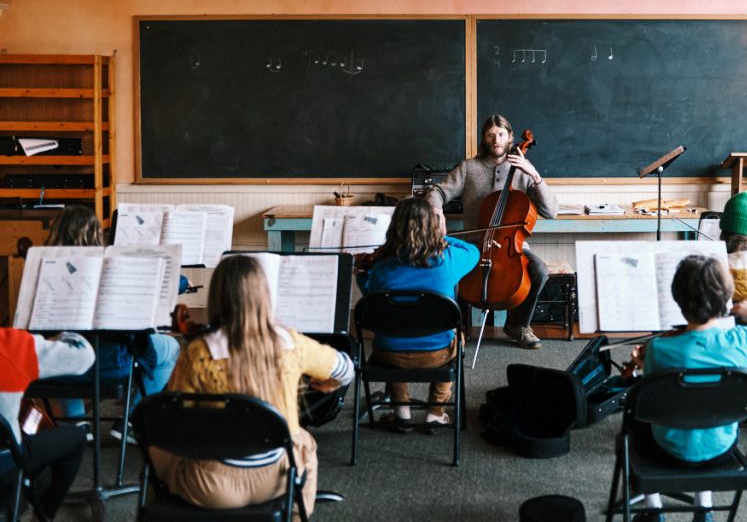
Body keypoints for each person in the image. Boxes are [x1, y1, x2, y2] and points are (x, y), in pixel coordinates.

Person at [151, 254, 354, 516]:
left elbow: (179, 414)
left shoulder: (198, 352)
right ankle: (294, 513)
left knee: (157, 449)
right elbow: (346, 369)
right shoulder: (292, 344)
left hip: (211, 486)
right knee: (305, 442)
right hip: (277, 481)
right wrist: (329, 382)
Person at [635, 254, 747, 522]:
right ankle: (703, 510)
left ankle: (654, 511)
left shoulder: (659, 349)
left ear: (677, 299)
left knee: (639, 420)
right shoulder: (744, 340)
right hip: (720, 448)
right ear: (727, 299)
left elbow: (652, 393)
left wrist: (640, 362)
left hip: (667, 449)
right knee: (705, 408)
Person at [44, 205, 181, 444]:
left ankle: (76, 423)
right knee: (170, 346)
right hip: (110, 366)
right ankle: (130, 419)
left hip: (58, 370)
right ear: (96, 233)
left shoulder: (42, 271)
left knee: (64, 346)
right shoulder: (111, 269)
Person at [425, 114, 558, 349]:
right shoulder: (469, 167)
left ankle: (517, 325)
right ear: (484, 139)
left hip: (511, 247)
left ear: (510, 138)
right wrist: (436, 209)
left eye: (500, 134)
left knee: (538, 270)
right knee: (448, 267)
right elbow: (438, 191)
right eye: (490, 135)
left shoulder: (522, 170)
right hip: (474, 244)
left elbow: (551, 211)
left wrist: (534, 175)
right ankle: (456, 327)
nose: (495, 139)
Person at [356, 196, 480, 432]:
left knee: (393, 329)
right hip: (438, 354)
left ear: (394, 227)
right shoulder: (448, 260)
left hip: (390, 355)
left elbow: (369, 295)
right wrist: (441, 235)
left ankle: (401, 411)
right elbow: (472, 251)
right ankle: (435, 412)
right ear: (434, 225)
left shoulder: (381, 268)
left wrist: (361, 273)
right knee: (457, 337)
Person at [0, 328, 94, 519]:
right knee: (75, 437)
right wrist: (61, 333)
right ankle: (43, 515)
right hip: (4, 462)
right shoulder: (12, 345)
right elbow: (84, 355)